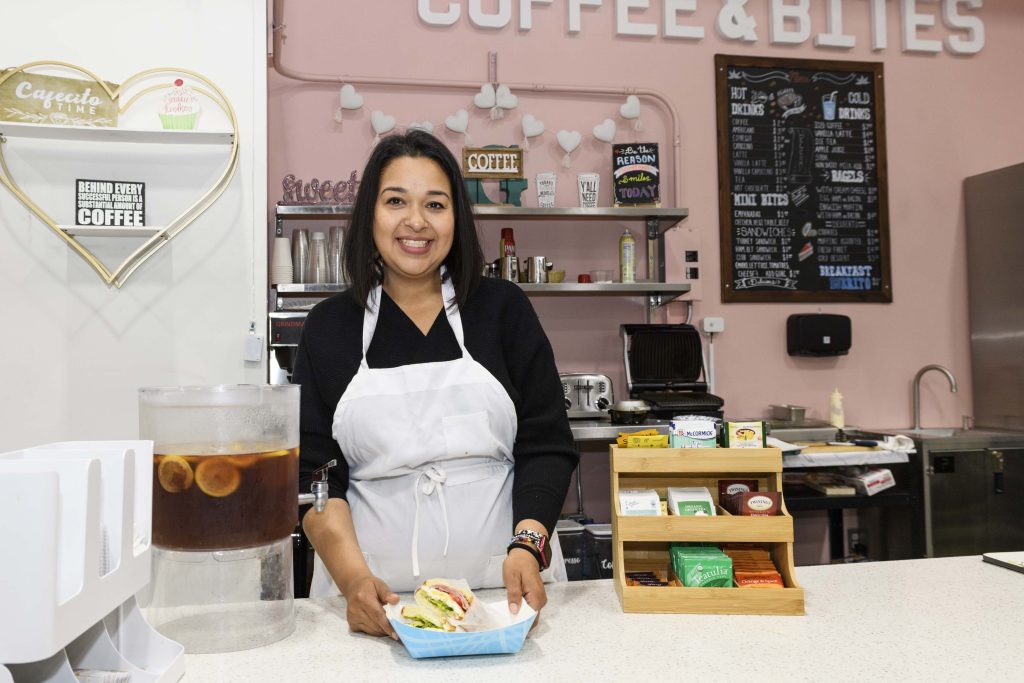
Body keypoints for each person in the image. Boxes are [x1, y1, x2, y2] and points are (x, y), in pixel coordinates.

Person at [293, 129, 578, 639]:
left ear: (456, 219)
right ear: (370, 215)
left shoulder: (502, 310)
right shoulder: (329, 327)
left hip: (501, 594)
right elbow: (316, 476)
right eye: (396, 201)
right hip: (373, 599)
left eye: (436, 204)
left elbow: (547, 445)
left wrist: (529, 545)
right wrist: (354, 580)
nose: (416, 222)